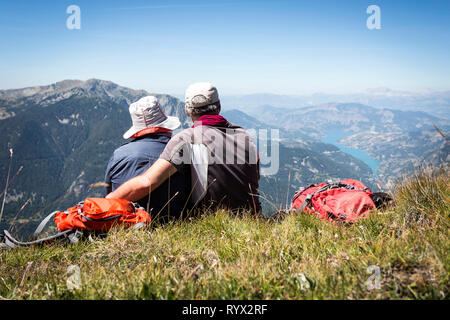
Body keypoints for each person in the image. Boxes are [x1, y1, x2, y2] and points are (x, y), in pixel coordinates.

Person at [106, 82, 261, 214]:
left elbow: (146, 183)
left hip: (211, 225)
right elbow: (254, 179)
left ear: (187, 110)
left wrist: (107, 201)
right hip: (253, 219)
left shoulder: (186, 138)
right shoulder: (245, 135)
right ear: (219, 106)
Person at [105, 95, 189, 222]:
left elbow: (108, 193)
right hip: (173, 224)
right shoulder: (180, 152)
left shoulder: (118, 155)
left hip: (125, 225)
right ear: (166, 127)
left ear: (137, 131)